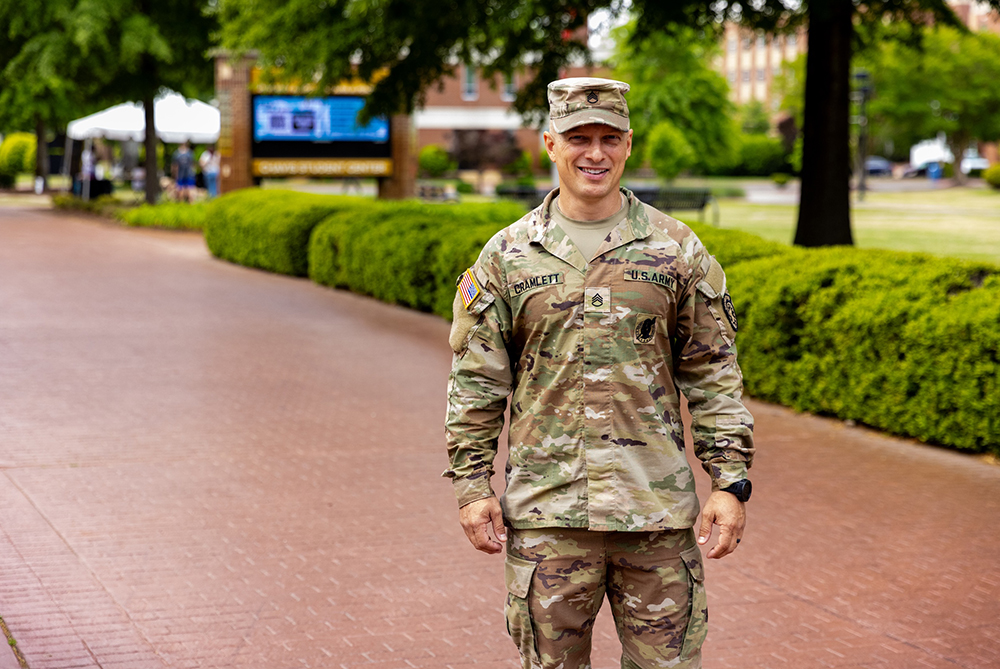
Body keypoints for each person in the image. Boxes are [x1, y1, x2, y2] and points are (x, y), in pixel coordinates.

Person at [443, 77, 755, 669]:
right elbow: (477, 384)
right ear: (550, 144)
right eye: (578, 138)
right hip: (548, 520)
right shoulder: (507, 256)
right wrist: (472, 487)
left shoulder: (676, 249)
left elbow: (713, 374)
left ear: (628, 145)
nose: (595, 153)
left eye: (609, 138)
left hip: (655, 516)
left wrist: (729, 481)